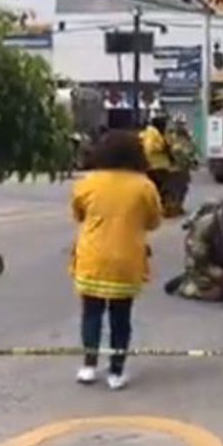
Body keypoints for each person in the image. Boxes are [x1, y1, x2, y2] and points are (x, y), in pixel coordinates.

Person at [69, 129, 163, 390]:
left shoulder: (87, 183)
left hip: (92, 258)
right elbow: (154, 221)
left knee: (91, 313)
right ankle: (116, 373)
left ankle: (88, 366)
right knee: (121, 317)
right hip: (127, 260)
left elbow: (78, 215)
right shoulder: (144, 186)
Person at [164, 116, 198, 217]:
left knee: (183, 188)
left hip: (184, 166)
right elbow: (168, 148)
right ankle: (170, 208)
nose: (180, 126)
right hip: (173, 166)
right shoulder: (170, 135)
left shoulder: (188, 136)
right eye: (178, 124)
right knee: (172, 189)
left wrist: (192, 160)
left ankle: (178, 206)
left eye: (182, 124)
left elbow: (193, 148)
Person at [140, 114, 174, 212]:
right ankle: (155, 208)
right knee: (158, 188)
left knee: (159, 188)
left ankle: (157, 207)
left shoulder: (158, 133)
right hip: (155, 166)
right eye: (164, 123)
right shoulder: (152, 133)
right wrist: (161, 148)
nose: (166, 125)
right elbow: (148, 148)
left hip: (159, 166)